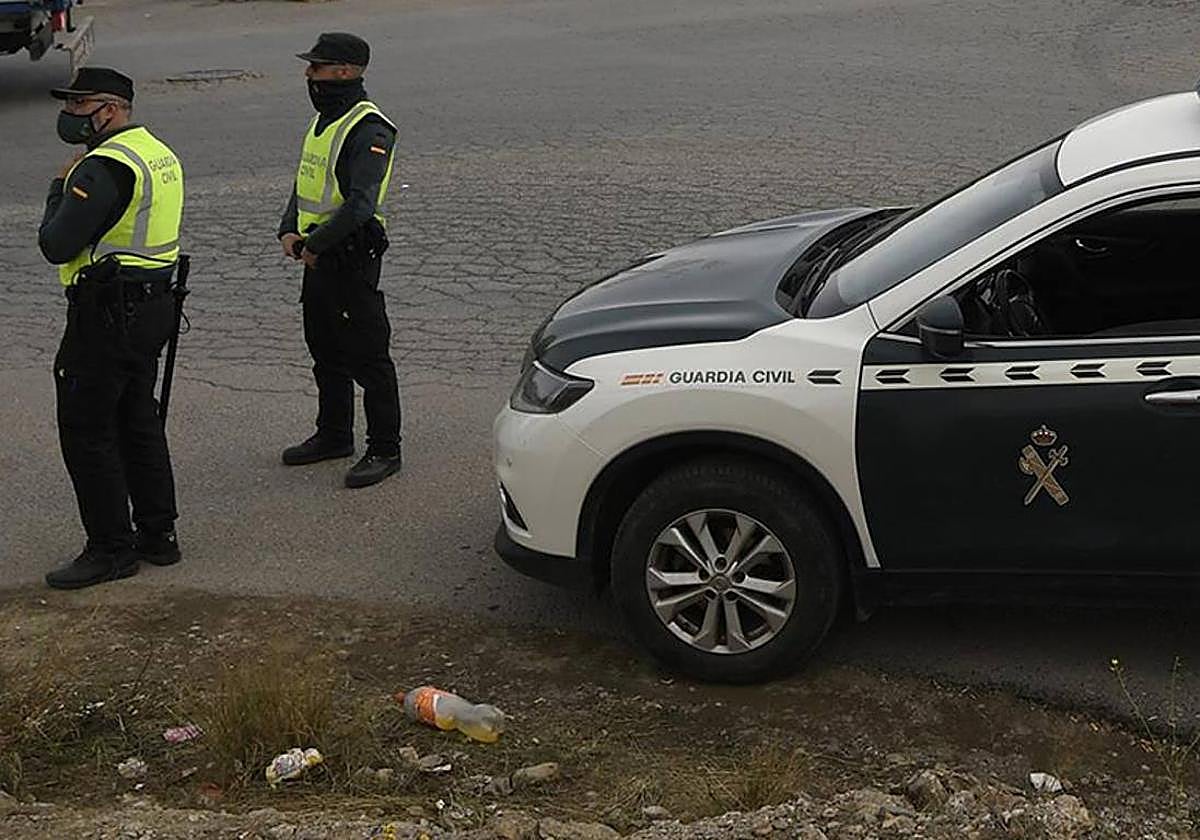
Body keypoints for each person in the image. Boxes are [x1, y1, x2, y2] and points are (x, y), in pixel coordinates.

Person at [38, 67, 185, 589]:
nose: (71, 116)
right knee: (136, 419)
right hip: (150, 307)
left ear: (112, 110)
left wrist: (58, 187)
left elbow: (56, 244)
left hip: (105, 315)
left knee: (87, 430)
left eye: (81, 106)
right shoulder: (155, 152)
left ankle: (109, 549)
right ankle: (158, 535)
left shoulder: (100, 168)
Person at [278, 32, 404, 489]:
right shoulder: (322, 122)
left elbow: (359, 204)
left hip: (349, 255)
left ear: (346, 73)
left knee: (367, 355)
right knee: (325, 348)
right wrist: (288, 228)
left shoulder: (368, 128)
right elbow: (304, 181)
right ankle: (334, 434)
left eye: (318, 68)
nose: (308, 76)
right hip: (317, 255)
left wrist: (314, 246)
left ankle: (385, 448)